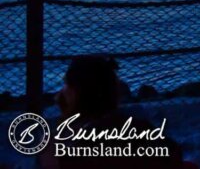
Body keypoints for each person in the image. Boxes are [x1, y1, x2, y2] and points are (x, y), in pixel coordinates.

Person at [40, 55, 190, 168]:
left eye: (66, 84)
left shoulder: (62, 147)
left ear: (75, 92)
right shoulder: (141, 129)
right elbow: (173, 153)